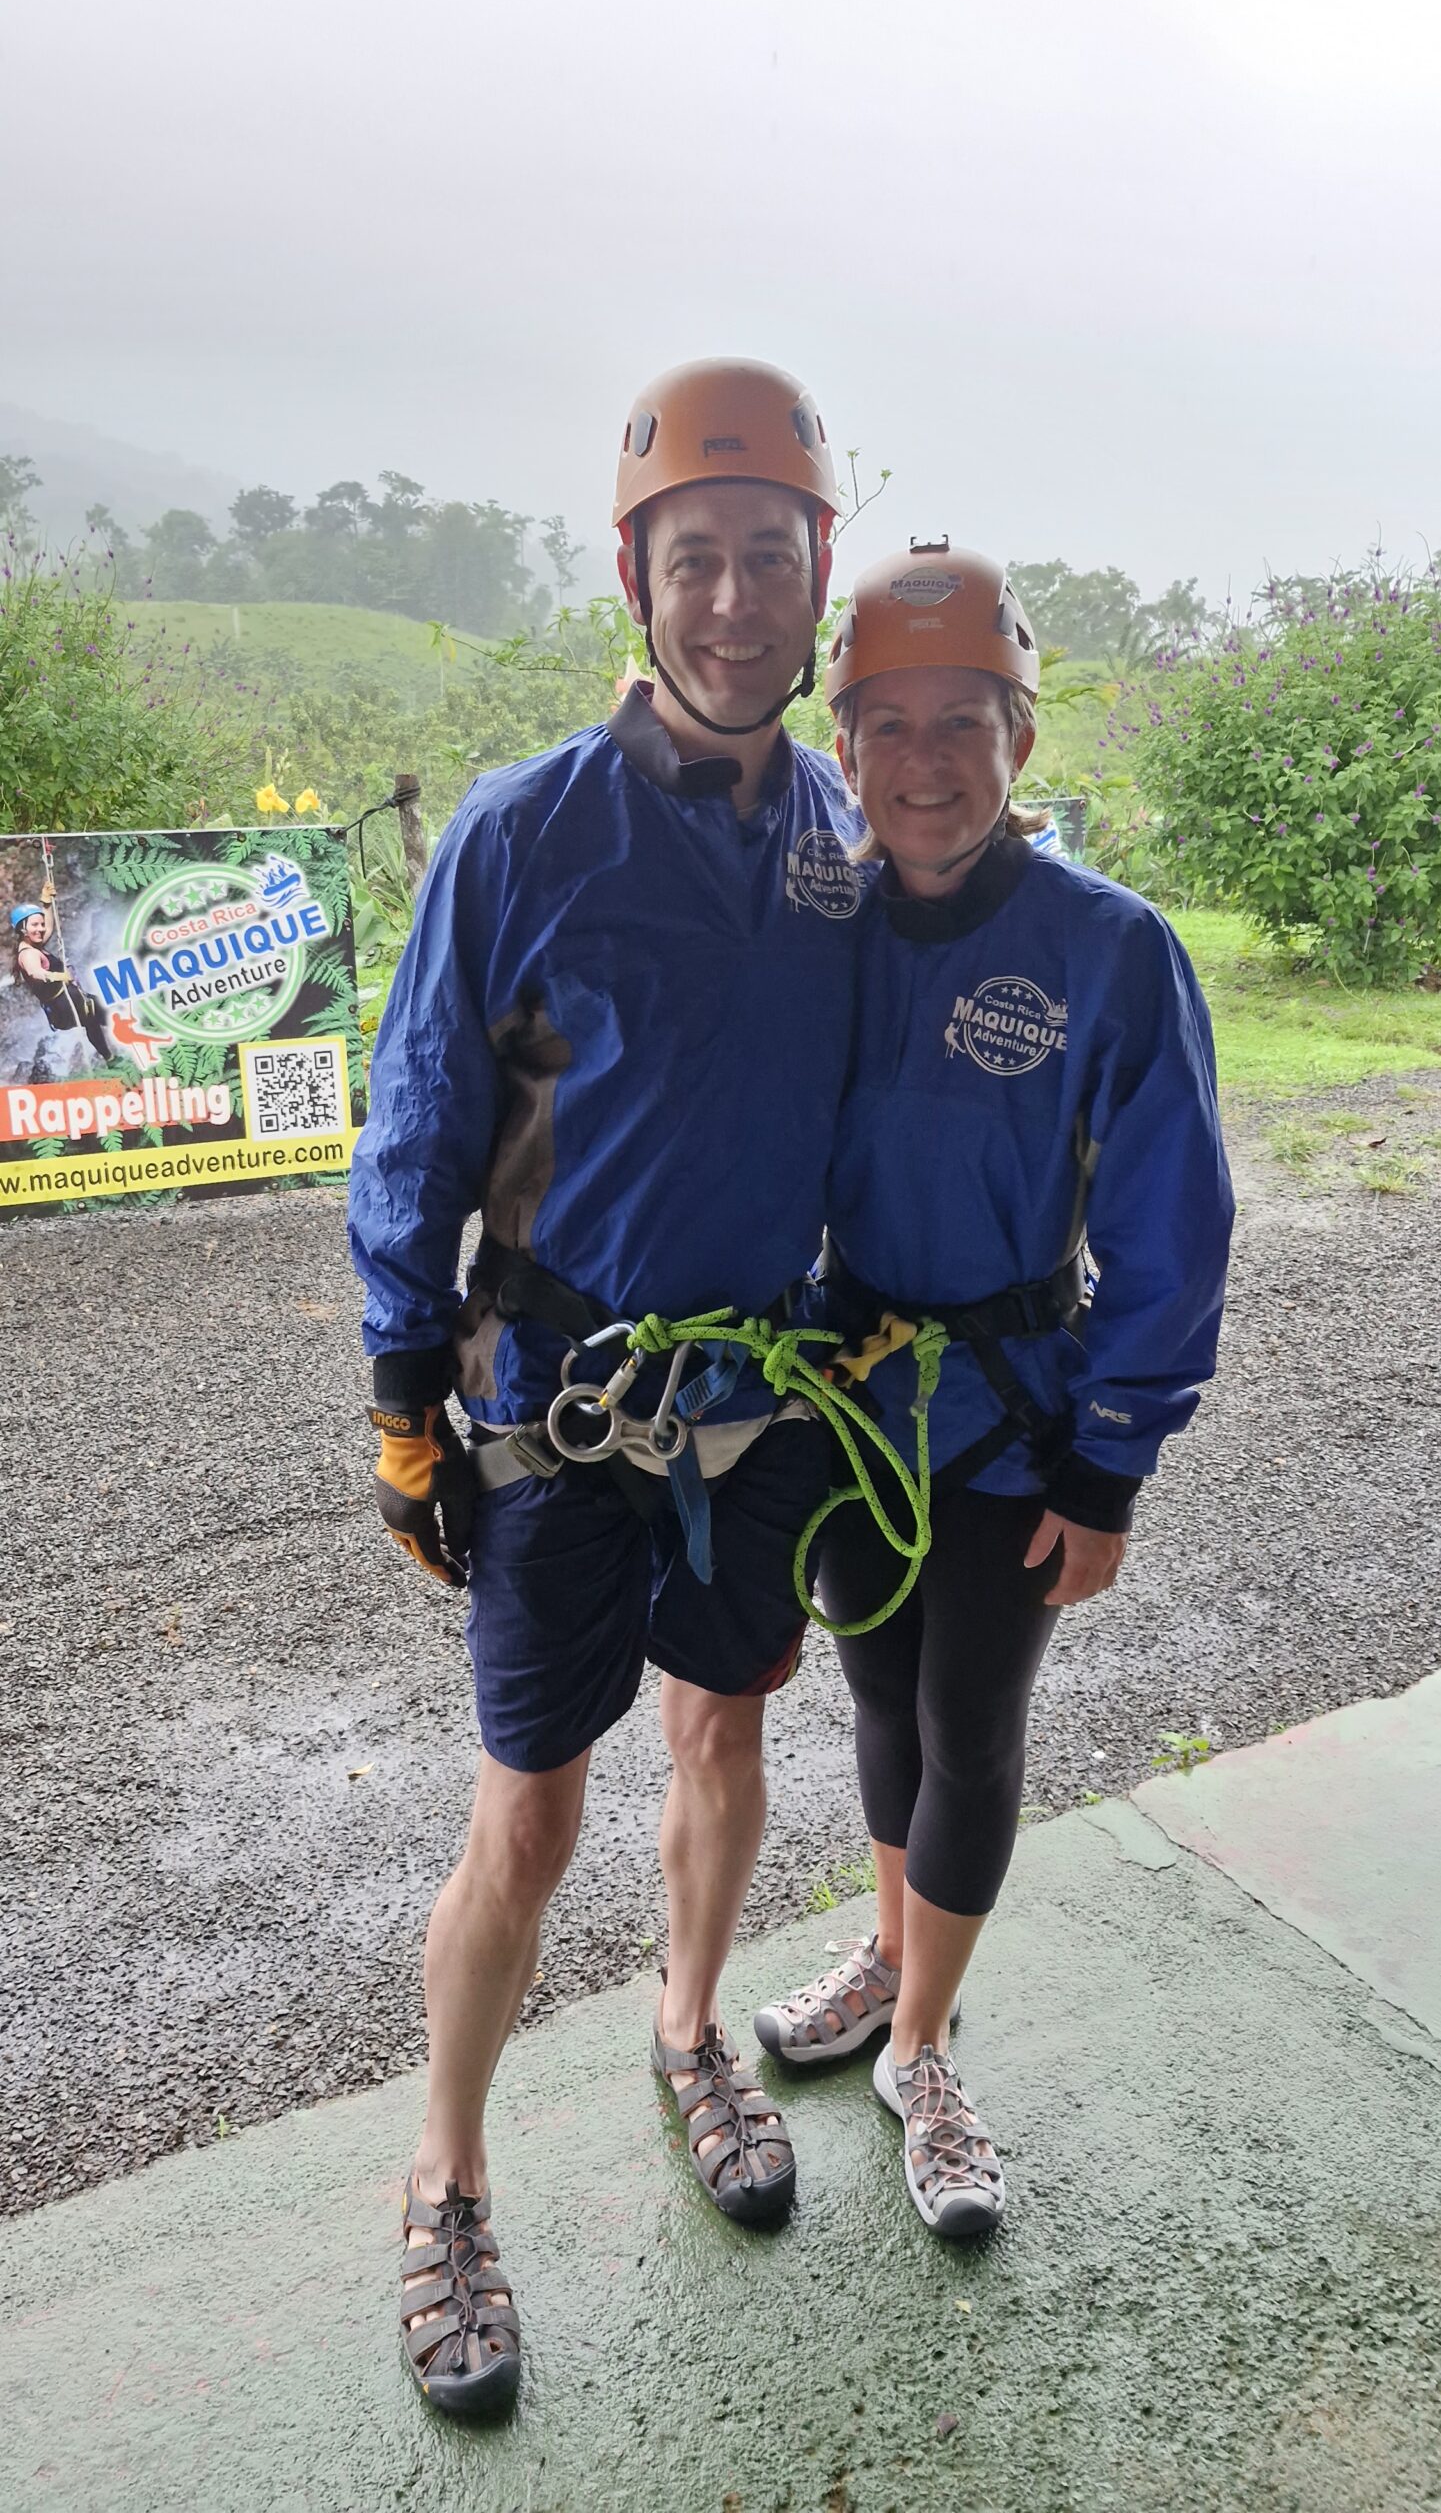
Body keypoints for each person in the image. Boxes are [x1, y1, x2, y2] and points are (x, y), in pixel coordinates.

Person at [348, 359, 868, 2415]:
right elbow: (413, 1124)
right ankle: (446, 2171)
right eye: (693, 560)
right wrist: (405, 1388)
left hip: (761, 1394)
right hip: (559, 1391)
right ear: (632, 577)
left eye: (767, 557)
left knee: (728, 1735)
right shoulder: (524, 831)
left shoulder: (842, 829)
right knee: (531, 1810)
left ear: (816, 571)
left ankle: (687, 2026)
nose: (731, 600)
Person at [753, 541, 1233, 2240]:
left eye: (965, 720)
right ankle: (892, 1956)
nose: (925, 761)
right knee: (880, 1704)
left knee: (970, 1723)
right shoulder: (817, 929)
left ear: (1021, 738)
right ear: (846, 748)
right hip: (846, 1398)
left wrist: (1110, 1460)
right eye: (886, 726)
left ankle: (928, 2049)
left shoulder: (1110, 950)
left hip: (1016, 1412)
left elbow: (1175, 1213)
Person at [9, 883, 114, 1061]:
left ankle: (110, 1057)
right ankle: (128, 1045)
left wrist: (46, 903)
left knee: (95, 1020)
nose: (40, 929)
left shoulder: (34, 945)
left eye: (40, 924)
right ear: (22, 929)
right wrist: (58, 976)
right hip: (64, 1005)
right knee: (108, 1015)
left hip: (66, 1004)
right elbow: (35, 972)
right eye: (35, 925)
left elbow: (48, 929)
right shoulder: (28, 954)